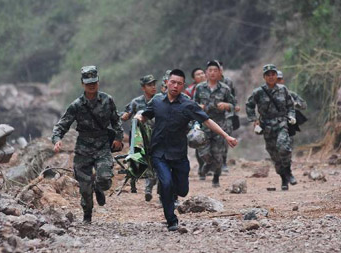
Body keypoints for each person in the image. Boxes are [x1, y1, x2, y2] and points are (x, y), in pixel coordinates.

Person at [135, 69, 238, 231]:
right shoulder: (157, 101)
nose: (175, 86)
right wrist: (139, 117)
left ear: (183, 86)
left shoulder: (188, 104)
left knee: (182, 190)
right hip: (159, 153)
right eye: (172, 82)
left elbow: (207, 121)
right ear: (167, 83)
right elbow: (145, 114)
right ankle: (171, 220)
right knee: (166, 183)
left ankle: (170, 192)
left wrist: (226, 136)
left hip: (178, 154)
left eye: (179, 84)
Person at [52, 66, 124, 223]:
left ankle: (98, 187)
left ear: (98, 82)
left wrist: (118, 137)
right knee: (84, 188)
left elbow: (116, 120)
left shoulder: (107, 100)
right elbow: (62, 124)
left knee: (105, 179)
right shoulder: (76, 105)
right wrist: (57, 139)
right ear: (82, 84)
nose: (91, 85)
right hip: (83, 149)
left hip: (103, 146)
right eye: (88, 83)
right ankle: (87, 215)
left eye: (94, 82)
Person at [246, 64, 296, 191]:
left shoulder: (283, 89)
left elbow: (290, 105)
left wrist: (291, 116)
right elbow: (249, 105)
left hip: (281, 123)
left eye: (273, 74)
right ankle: (283, 177)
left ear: (276, 75)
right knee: (274, 154)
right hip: (267, 125)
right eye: (268, 75)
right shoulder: (258, 92)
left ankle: (288, 171)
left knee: (283, 147)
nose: (271, 77)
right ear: (264, 77)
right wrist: (254, 120)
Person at [194, 60, 236, 187]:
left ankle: (216, 177)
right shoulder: (200, 88)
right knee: (203, 152)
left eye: (215, 71)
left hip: (220, 124)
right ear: (206, 73)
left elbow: (234, 105)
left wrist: (226, 105)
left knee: (218, 154)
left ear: (219, 73)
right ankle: (207, 164)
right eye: (210, 70)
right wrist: (198, 106)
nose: (212, 73)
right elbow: (192, 104)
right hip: (204, 124)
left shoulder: (225, 89)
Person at [121, 74, 158, 201]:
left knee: (158, 161)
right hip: (140, 138)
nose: (153, 87)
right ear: (143, 88)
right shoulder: (136, 102)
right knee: (145, 162)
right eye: (150, 85)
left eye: (154, 84)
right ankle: (147, 187)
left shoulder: (160, 100)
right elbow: (127, 114)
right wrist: (125, 116)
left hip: (158, 136)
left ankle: (158, 189)